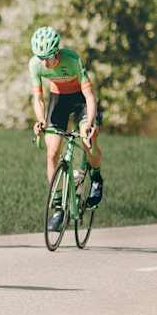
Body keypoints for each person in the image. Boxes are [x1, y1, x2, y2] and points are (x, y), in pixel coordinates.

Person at [29, 26, 104, 233]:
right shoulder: (35, 64)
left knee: (88, 140)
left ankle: (96, 177)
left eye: (49, 57)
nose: (45, 63)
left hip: (81, 100)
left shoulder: (72, 60)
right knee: (52, 152)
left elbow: (89, 96)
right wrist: (40, 120)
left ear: (57, 52)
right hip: (59, 100)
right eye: (41, 58)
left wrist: (90, 123)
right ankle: (58, 207)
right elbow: (38, 98)